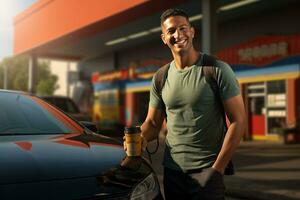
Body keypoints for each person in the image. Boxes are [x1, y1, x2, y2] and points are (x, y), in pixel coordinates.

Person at [125, 8, 246, 200]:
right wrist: (139, 138)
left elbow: (238, 121)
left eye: (183, 28)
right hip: (173, 173)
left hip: (207, 170)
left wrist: (217, 170)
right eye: (171, 31)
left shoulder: (217, 69)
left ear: (192, 31)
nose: (178, 35)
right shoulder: (160, 77)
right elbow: (153, 124)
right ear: (164, 38)